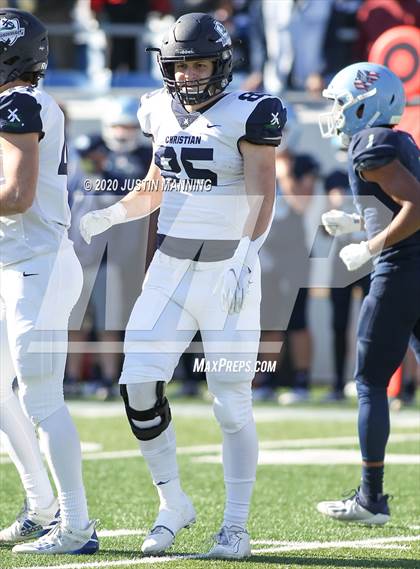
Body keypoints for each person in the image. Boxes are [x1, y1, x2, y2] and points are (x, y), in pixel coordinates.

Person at [80, 12, 286, 559]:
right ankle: (172, 502)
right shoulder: (155, 108)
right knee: (138, 384)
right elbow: (155, 184)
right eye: (182, 65)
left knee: (231, 404)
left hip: (227, 273)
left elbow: (263, 195)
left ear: (220, 64)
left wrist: (247, 254)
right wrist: (110, 214)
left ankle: (236, 525)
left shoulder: (252, 112)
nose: (191, 76)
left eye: (199, 64)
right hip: (170, 268)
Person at [0, 9, 98, 554]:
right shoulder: (16, 103)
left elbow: (17, 195)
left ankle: (78, 526)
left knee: (42, 401)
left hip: (36, 265)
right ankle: (41, 506)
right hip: (16, 265)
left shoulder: (20, 104)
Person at [317, 62, 420, 524]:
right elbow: (398, 203)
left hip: (401, 269)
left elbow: (417, 207)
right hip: (414, 265)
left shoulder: (370, 142)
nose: (337, 113)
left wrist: (370, 246)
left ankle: (371, 498)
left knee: (369, 382)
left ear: (365, 101)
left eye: (341, 103)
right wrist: (359, 223)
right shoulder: (400, 140)